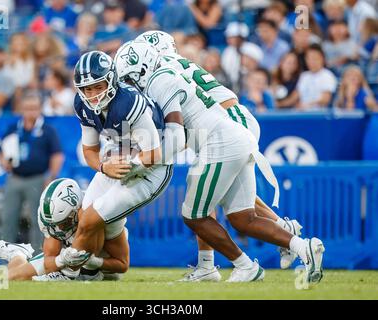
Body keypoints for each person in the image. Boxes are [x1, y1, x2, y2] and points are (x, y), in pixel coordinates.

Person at [118, 37, 325, 286]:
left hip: (223, 135)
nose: (129, 85)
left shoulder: (160, 77)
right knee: (240, 215)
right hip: (227, 131)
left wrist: (141, 162)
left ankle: (245, 263)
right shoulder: (170, 69)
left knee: (194, 213)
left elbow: (175, 136)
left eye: (129, 78)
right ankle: (302, 246)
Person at [60, 51, 173, 271]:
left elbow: (153, 154)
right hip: (121, 156)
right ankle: (93, 269)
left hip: (152, 169)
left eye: (98, 87)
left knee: (90, 220)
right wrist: (104, 167)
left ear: (111, 80)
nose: (92, 95)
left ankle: (68, 272)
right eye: (87, 89)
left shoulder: (127, 102)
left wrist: (125, 167)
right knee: (84, 216)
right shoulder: (82, 105)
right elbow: (90, 150)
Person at [0, 178, 129, 281]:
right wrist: (61, 260)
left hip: (102, 264)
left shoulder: (101, 214)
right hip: (68, 256)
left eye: (64, 223)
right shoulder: (53, 220)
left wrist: (93, 262)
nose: (58, 229)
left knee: (110, 276)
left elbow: (122, 264)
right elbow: (49, 259)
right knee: (16, 276)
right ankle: (18, 254)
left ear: (76, 210)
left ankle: (19, 254)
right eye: (55, 224)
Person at [0, 92, 64, 253]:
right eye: (27, 108)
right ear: (21, 109)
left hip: (38, 178)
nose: (31, 112)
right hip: (15, 177)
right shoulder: (14, 128)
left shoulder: (47, 130)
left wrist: (51, 177)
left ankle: (38, 255)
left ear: (40, 109)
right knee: (8, 218)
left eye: (34, 108)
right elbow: (0, 150)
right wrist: (4, 162)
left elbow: (57, 155)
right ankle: (6, 256)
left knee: (39, 220)